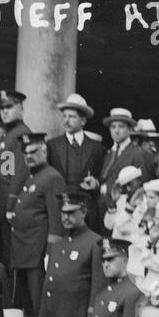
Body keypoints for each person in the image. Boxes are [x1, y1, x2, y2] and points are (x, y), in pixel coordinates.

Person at [38, 192, 103, 317]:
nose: (65, 217)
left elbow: (98, 287)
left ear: (83, 212)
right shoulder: (58, 245)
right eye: (63, 213)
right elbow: (49, 289)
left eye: (71, 212)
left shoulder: (94, 242)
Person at [7, 132, 66, 317]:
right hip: (23, 250)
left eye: (34, 151)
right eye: (26, 153)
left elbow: (56, 219)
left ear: (44, 151)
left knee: (39, 300)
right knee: (27, 302)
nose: (29, 156)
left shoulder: (52, 178)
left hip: (37, 251)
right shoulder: (32, 177)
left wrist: (51, 253)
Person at [0, 89, 32, 262]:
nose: (5, 111)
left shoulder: (21, 134)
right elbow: (1, 170)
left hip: (5, 210)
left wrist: (10, 205)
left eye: (9, 107)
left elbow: (19, 174)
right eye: (2, 108)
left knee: (5, 260)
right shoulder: (5, 134)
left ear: (21, 109)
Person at [46, 93, 104, 230]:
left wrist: (96, 184)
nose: (66, 121)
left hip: (86, 210)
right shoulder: (52, 145)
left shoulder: (96, 147)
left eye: (71, 117)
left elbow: (102, 176)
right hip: (61, 209)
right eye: (64, 116)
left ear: (83, 121)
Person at [83, 237, 143, 317]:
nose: (106, 264)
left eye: (111, 259)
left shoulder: (132, 293)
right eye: (103, 260)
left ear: (125, 261)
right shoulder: (102, 294)